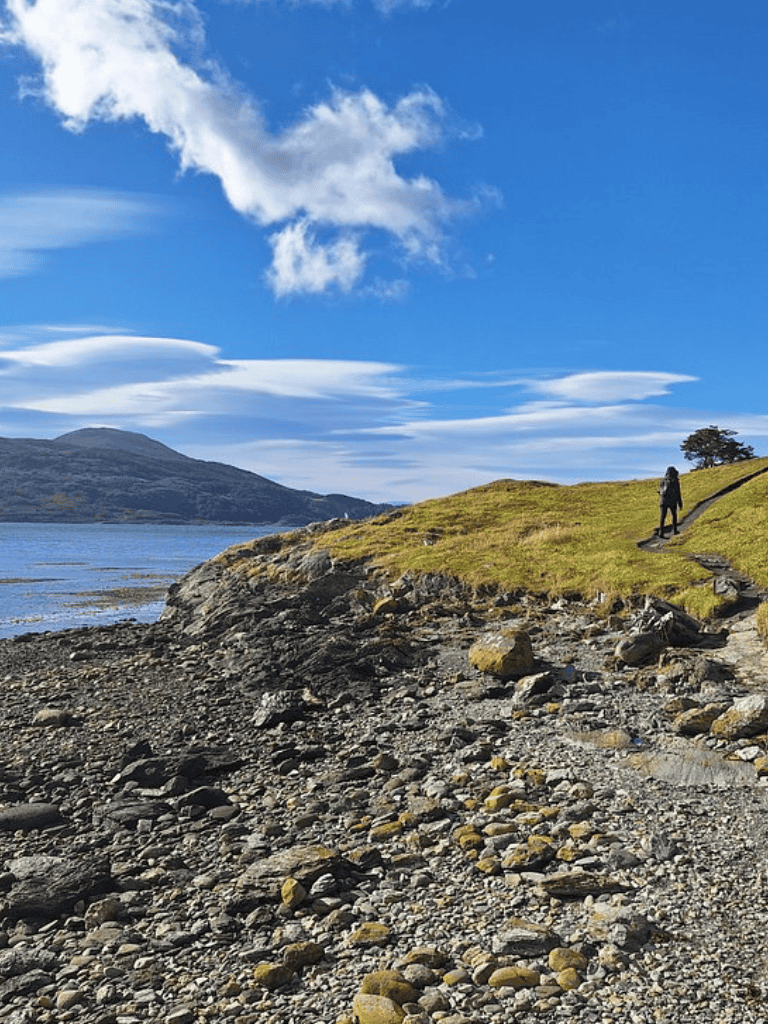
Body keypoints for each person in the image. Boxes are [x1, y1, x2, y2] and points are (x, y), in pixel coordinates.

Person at [657, 466, 683, 537]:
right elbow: (678, 492)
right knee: (674, 515)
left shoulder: (662, 480)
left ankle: (661, 531)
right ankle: (675, 530)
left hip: (663, 500)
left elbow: (660, 491)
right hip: (672, 500)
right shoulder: (674, 480)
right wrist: (680, 503)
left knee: (662, 517)